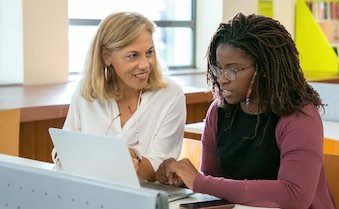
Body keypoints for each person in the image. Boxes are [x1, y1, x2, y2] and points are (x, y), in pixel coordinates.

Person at [155, 13, 336, 209]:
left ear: (264, 69)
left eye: (233, 69)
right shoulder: (219, 111)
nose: (223, 79)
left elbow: (294, 196)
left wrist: (200, 182)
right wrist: (185, 180)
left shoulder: (299, 116)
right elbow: (213, 183)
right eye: (218, 68)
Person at [52, 12, 186, 182]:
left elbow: (160, 169)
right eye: (133, 55)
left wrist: (133, 159)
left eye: (149, 52)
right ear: (106, 56)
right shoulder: (86, 92)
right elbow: (64, 151)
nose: (145, 64)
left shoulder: (170, 95)